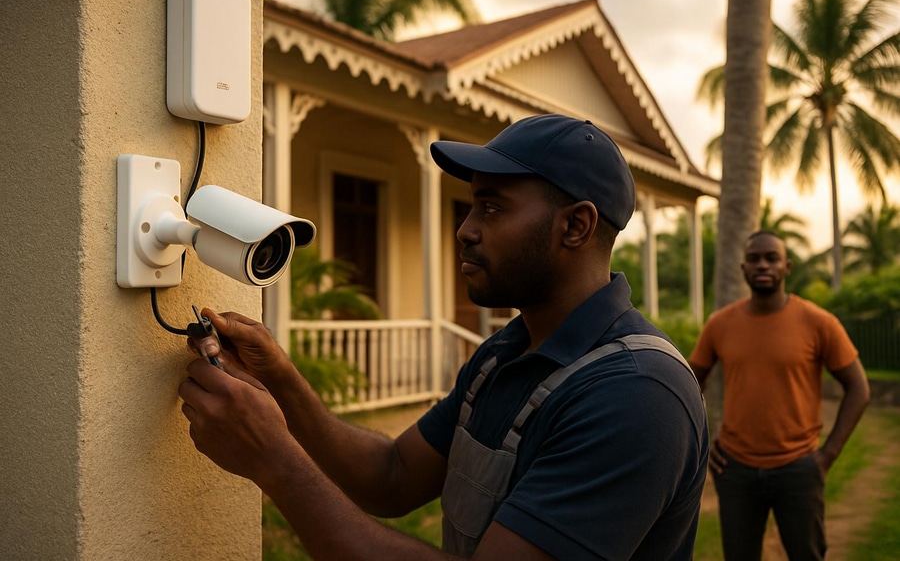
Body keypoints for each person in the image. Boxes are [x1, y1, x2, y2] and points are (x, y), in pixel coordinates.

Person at [179, 114, 709, 560]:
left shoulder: (636, 395)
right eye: (472, 205)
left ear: (575, 227)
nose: (466, 229)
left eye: (493, 207)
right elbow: (393, 475)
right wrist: (281, 379)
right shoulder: (506, 352)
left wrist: (274, 460)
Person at [689, 230, 870, 561]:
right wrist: (703, 443)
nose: (763, 265)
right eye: (754, 259)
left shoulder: (818, 322)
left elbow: (859, 388)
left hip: (799, 468)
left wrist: (827, 455)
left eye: (771, 258)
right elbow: (688, 385)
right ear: (743, 268)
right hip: (736, 469)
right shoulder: (720, 324)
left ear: (786, 267)